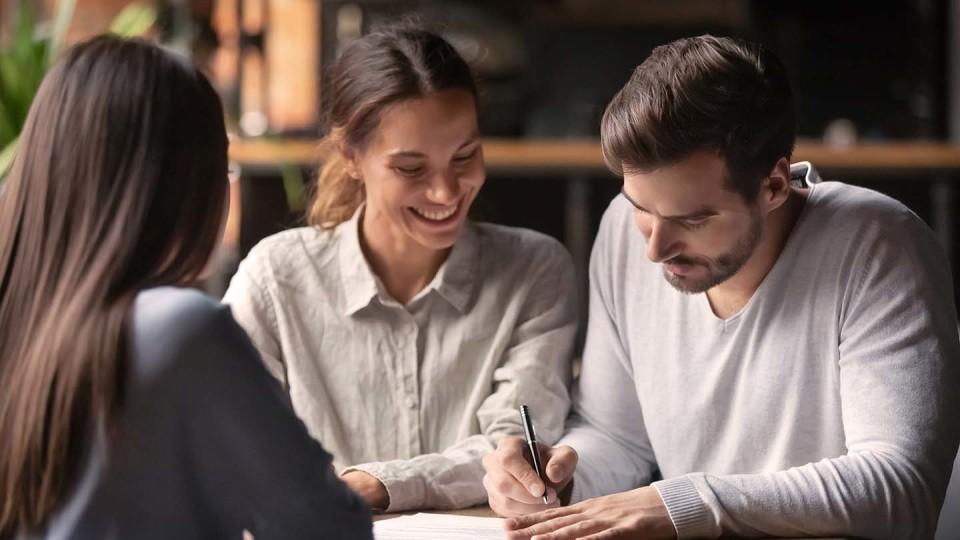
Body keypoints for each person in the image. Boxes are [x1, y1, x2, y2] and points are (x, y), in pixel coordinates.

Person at [482, 35, 960, 540]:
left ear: (774, 185)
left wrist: (683, 502)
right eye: (642, 207)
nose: (655, 249)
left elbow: (900, 487)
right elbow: (617, 436)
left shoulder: (878, 244)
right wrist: (562, 482)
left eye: (693, 218)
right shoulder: (624, 229)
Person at [0, 36, 371, 539]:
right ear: (184, 184)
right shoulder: (179, 330)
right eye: (224, 167)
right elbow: (326, 527)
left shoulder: (22, 320)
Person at [222, 26, 577, 513]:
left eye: (465, 157)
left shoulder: (535, 271)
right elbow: (234, 451)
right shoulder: (275, 280)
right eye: (411, 168)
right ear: (350, 156)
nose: (446, 192)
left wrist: (374, 484)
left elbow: (513, 454)